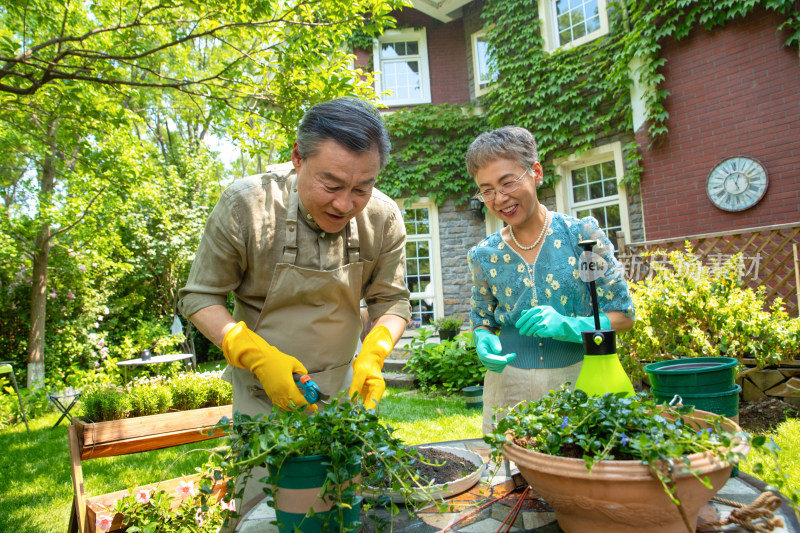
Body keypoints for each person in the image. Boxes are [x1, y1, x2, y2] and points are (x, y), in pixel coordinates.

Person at [177, 97, 411, 509]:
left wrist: (373, 355)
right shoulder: (246, 206)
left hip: (343, 397)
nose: (345, 204)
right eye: (332, 185)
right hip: (261, 395)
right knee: (263, 512)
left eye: (362, 188)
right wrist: (253, 353)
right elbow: (199, 295)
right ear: (298, 159)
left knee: (341, 508)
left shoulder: (383, 218)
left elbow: (391, 301)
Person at [465, 126, 635, 434]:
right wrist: (482, 338)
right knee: (508, 476)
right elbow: (482, 316)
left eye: (508, 183)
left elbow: (623, 315)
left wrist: (568, 327)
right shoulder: (483, 254)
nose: (500, 198)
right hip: (507, 387)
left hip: (579, 379)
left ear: (536, 173)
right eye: (486, 190)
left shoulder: (583, 237)